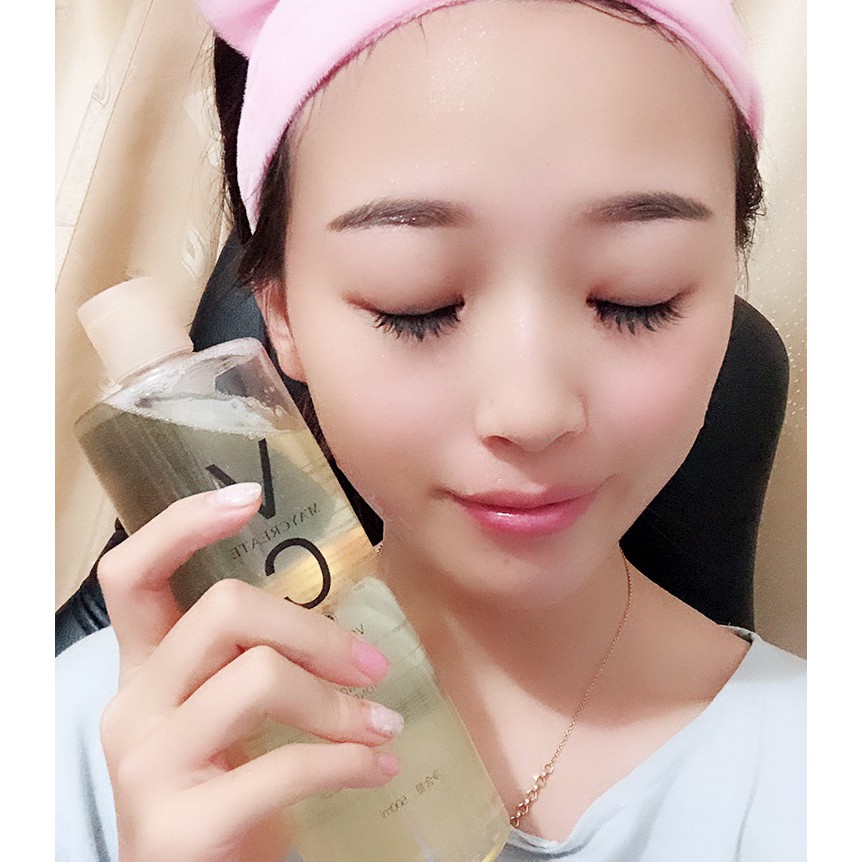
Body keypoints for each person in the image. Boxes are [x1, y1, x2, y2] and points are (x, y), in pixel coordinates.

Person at [55, 1, 806, 860]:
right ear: (282, 314)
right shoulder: (93, 738)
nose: (531, 412)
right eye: (416, 305)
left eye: (638, 297)